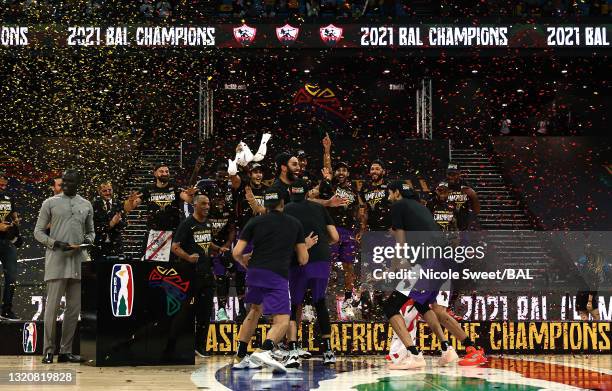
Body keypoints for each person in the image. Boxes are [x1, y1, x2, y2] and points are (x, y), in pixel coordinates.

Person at [384, 181, 485, 369]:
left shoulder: (398, 205)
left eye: (390, 193)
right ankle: (459, 349)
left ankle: (414, 355)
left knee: (391, 306)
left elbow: (401, 239)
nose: (388, 197)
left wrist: (395, 265)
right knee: (424, 305)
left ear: (397, 193)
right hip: (442, 261)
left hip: (429, 263)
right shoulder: (420, 207)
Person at [231, 186, 316, 373]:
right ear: (283, 202)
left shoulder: (254, 222)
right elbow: (302, 260)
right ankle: (265, 350)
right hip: (276, 275)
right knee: (283, 320)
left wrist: (244, 261)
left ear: (265, 203)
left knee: (254, 312)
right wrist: (306, 246)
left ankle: (240, 355)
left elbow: (237, 252)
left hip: (253, 273)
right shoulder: (294, 224)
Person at [34, 169, 94, 364]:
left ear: (78, 183)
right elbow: (38, 232)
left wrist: (87, 241)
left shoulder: (86, 204)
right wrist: (55, 243)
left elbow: (91, 232)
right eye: (63, 181)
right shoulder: (49, 203)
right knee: (51, 309)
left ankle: (65, 351)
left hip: (78, 261)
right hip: (57, 260)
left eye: (69, 181)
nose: (65, 184)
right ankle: (48, 351)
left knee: (74, 309)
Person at [283, 179, 339, 367]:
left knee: (294, 304)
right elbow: (335, 237)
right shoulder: (319, 208)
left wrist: (302, 247)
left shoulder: (286, 209)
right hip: (321, 258)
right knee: (320, 301)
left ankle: (292, 350)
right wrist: (321, 244)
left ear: (291, 191)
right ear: (307, 192)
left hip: (298, 259)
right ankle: (329, 350)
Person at [172, 194, 229, 357]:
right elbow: (175, 247)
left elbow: (206, 243)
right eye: (203, 203)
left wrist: (218, 248)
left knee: (205, 312)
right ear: (195, 205)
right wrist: (188, 257)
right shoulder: (187, 224)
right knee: (186, 312)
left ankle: (200, 346)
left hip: (206, 272)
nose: (207, 206)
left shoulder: (208, 223)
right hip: (191, 275)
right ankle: (179, 344)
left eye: (208, 204)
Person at [124, 163, 196, 261]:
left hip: (173, 232)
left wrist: (191, 195)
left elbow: (189, 200)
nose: (165, 173)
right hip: (154, 233)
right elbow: (129, 208)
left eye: (167, 171)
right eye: (161, 171)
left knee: (172, 265)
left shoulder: (175, 187)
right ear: (155, 174)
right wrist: (130, 200)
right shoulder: (148, 189)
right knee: (152, 265)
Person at [320, 161, 360, 319]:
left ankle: (348, 302)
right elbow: (323, 199)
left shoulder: (352, 190)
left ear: (348, 173)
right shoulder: (329, 185)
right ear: (334, 173)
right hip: (332, 229)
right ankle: (319, 300)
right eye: (339, 170)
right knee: (326, 266)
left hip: (348, 231)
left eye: (344, 170)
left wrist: (357, 227)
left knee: (349, 267)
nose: (341, 172)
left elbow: (356, 209)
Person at [0, 171, 21, 320]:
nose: (2, 186)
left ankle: (6, 309)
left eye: (4, 184)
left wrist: (15, 220)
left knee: (12, 276)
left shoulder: (8, 198)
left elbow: (13, 214)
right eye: (0, 183)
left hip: (7, 241)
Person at [91, 181, 126, 261]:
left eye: (110, 190)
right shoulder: (94, 205)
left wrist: (118, 222)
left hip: (116, 245)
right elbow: (95, 226)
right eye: (104, 191)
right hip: (99, 245)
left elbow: (124, 224)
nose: (108, 193)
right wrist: (112, 223)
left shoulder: (119, 204)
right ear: (99, 192)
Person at [446, 164, 480, 231]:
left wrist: (474, 196)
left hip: (463, 225)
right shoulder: (440, 185)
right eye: (449, 174)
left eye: (453, 174)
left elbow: (476, 211)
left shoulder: (467, 186)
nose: (450, 177)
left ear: (459, 174)